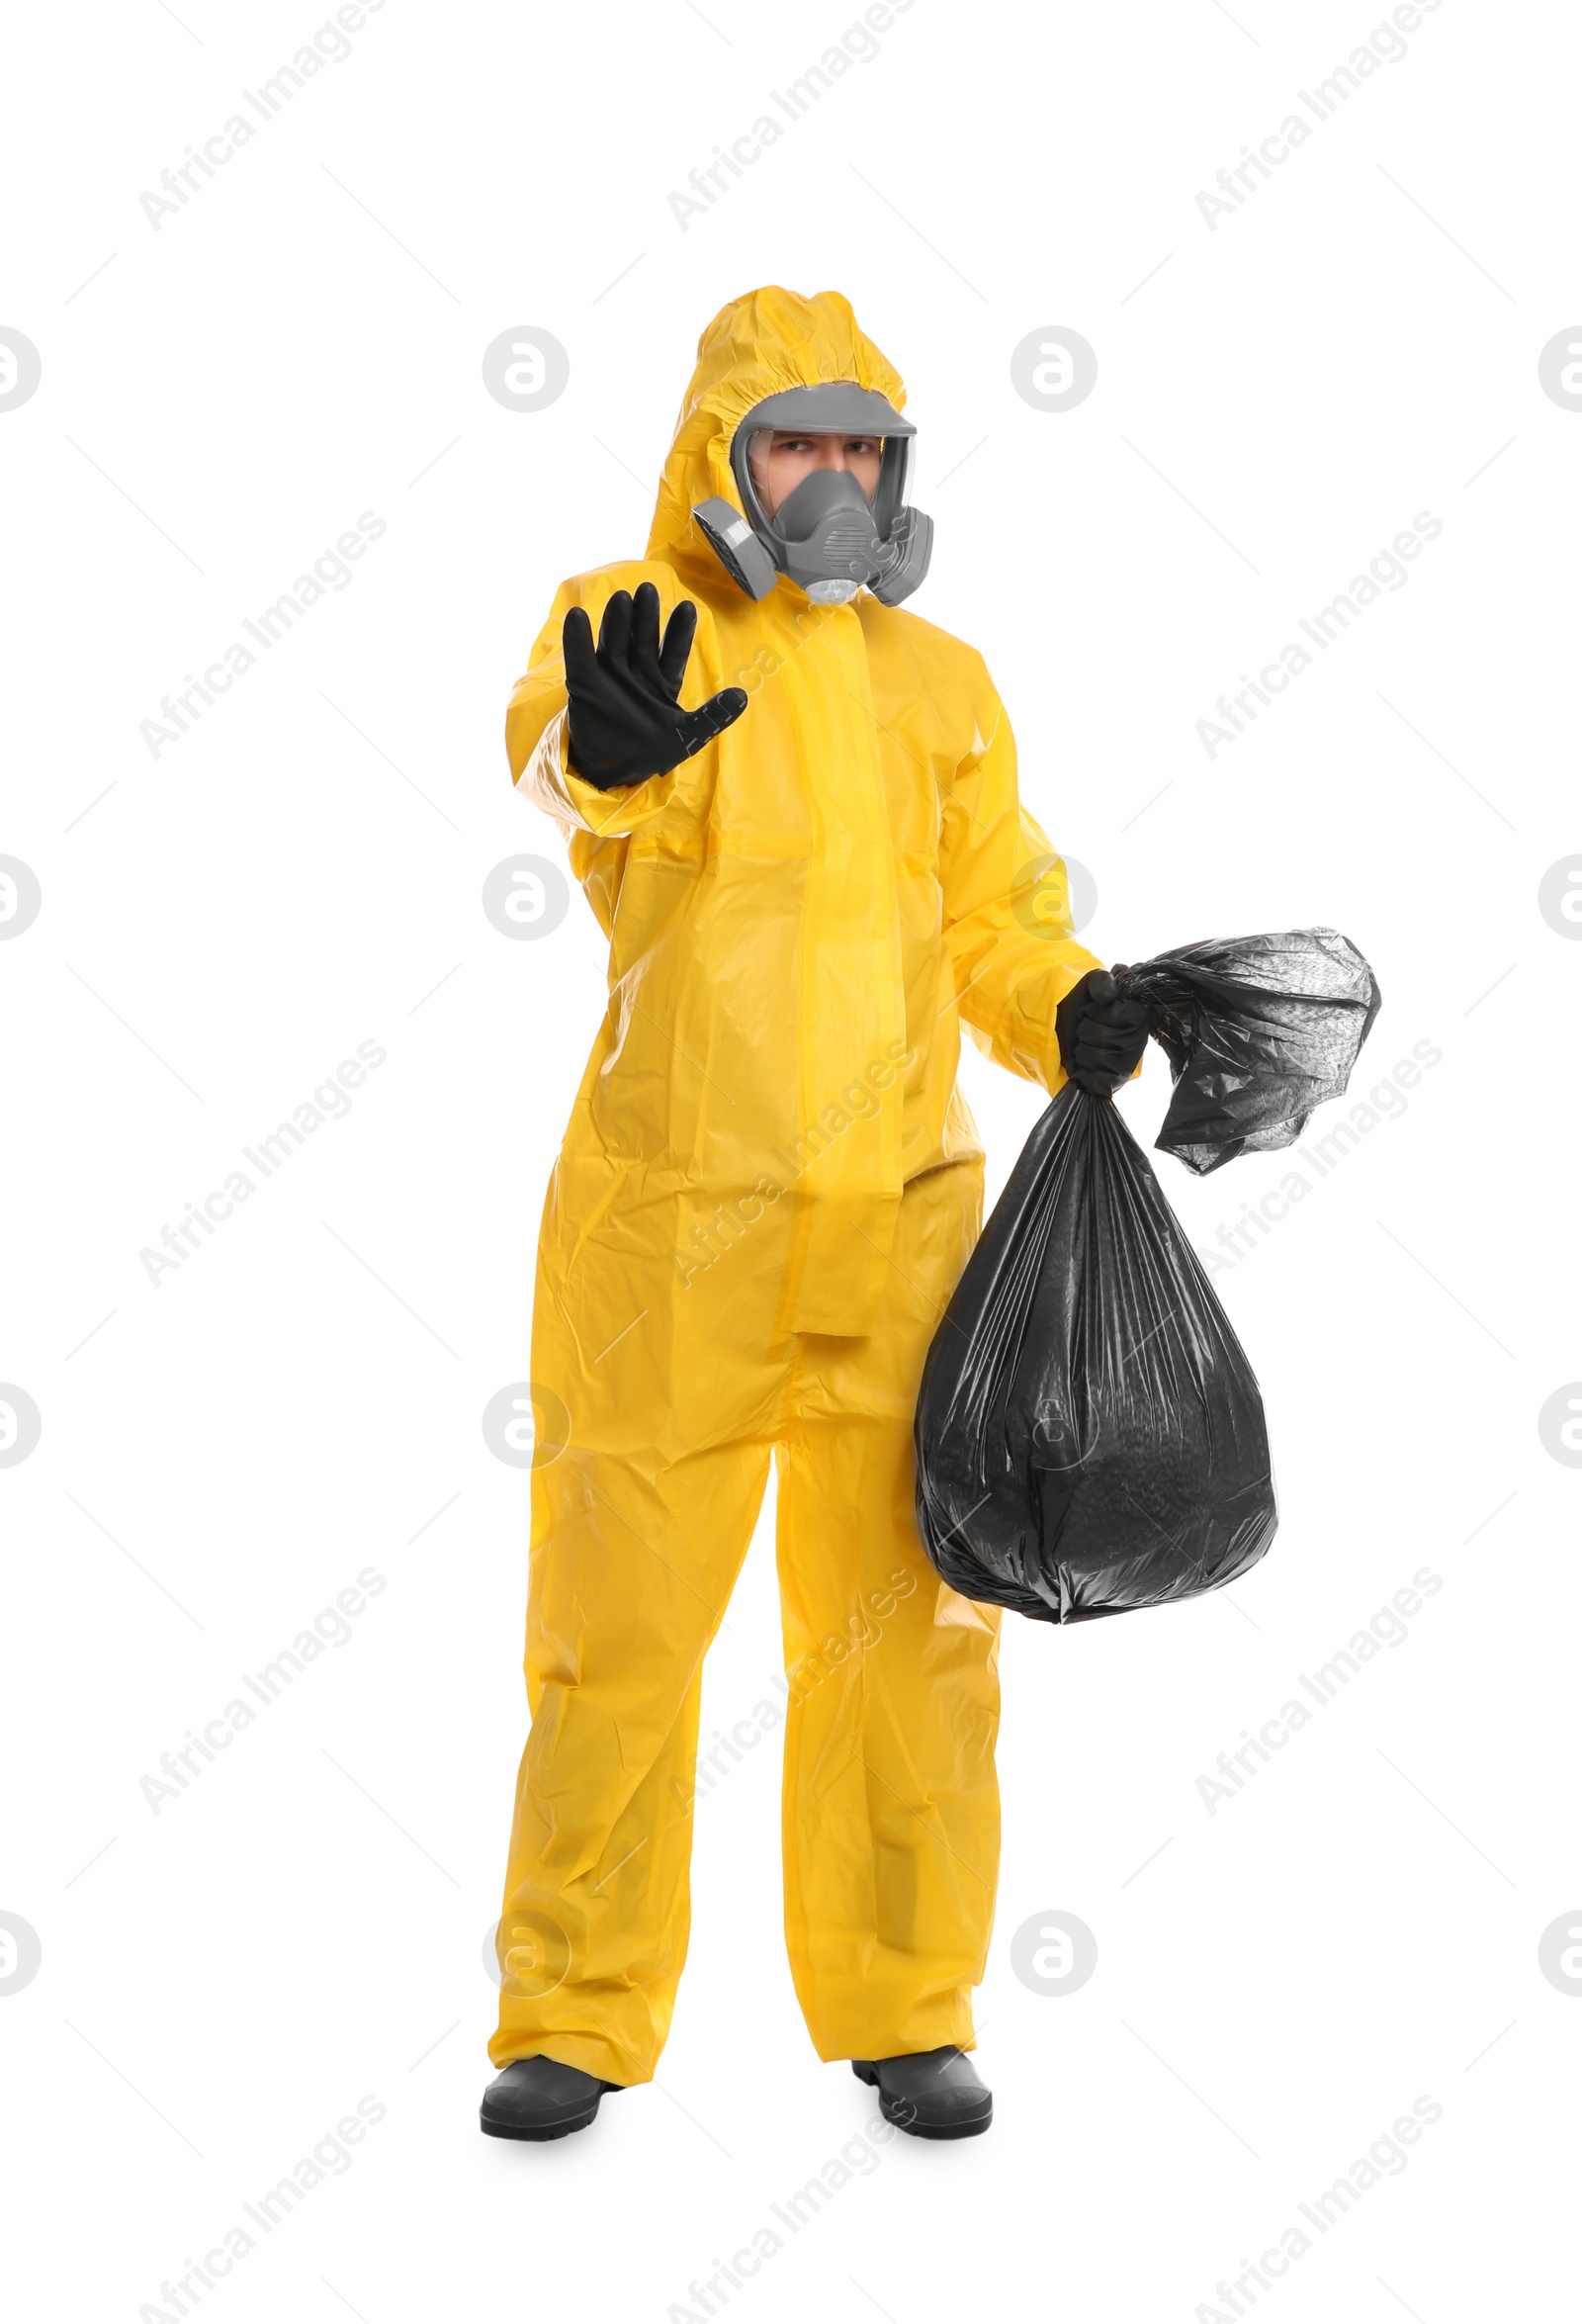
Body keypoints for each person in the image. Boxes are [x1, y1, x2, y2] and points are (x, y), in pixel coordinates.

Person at [482, 286, 1147, 2144]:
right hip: (665, 1232)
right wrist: (604, 753)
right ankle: (572, 2010)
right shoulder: (633, 628)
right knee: (616, 1636)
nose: (837, 480)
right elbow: (557, 751)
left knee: (909, 1643)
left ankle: (906, 2005)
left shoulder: (944, 687)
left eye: (865, 448)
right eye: (801, 446)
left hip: (899, 1238)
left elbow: (993, 911)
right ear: (725, 458)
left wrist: (1065, 1004)